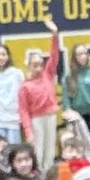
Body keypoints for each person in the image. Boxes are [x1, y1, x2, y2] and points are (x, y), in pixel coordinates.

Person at [17, 16, 60, 171]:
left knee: (50, 150)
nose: (39, 68)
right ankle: (38, 175)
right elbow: (23, 111)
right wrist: (28, 131)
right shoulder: (25, 86)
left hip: (51, 116)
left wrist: (54, 34)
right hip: (37, 119)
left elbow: (54, 56)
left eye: (41, 64)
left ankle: (47, 174)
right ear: (29, 66)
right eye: (35, 65)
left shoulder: (47, 74)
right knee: (38, 150)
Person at [62, 42, 90, 144]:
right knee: (79, 147)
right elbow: (66, 100)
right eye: (79, 54)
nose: (83, 56)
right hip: (75, 118)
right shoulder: (69, 76)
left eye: (85, 53)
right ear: (74, 57)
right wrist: (69, 122)